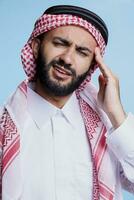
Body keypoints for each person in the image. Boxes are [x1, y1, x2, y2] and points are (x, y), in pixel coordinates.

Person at [0, 4, 134, 200]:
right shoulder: (5, 129)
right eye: (60, 43)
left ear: (92, 65)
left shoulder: (106, 129)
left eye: (82, 52)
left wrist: (116, 115)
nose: (68, 59)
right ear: (36, 47)